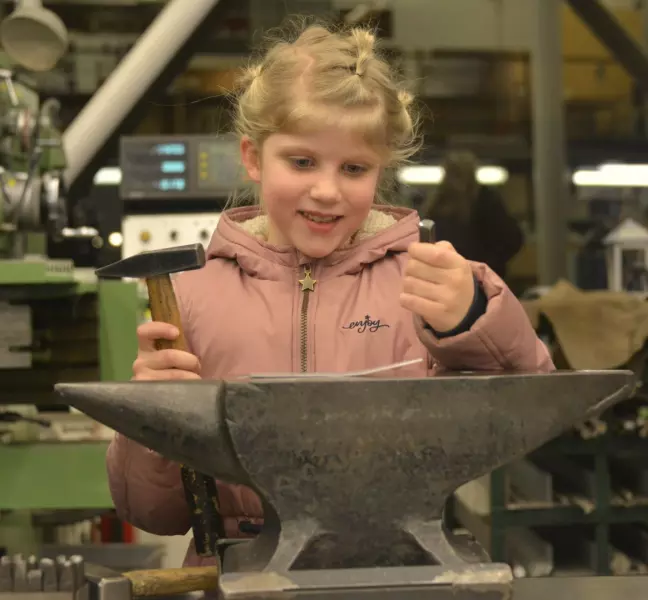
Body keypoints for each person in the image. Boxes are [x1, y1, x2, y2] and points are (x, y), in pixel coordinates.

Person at [106, 22, 554, 570]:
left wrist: (474, 320)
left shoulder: (426, 283)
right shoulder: (189, 296)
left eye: (354, 168)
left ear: (380, 171)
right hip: (236, 573)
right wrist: (151, 420)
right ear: (253, 157)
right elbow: (149, 511)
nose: (326, 190)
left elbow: (531, 411)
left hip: (392, 573)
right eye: (301, 162)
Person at [421, 151, 524, 280]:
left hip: (469, 277)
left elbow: (513, 238)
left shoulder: (484, 201)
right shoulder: (438, 202)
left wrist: (489, 265)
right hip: (455, 274)